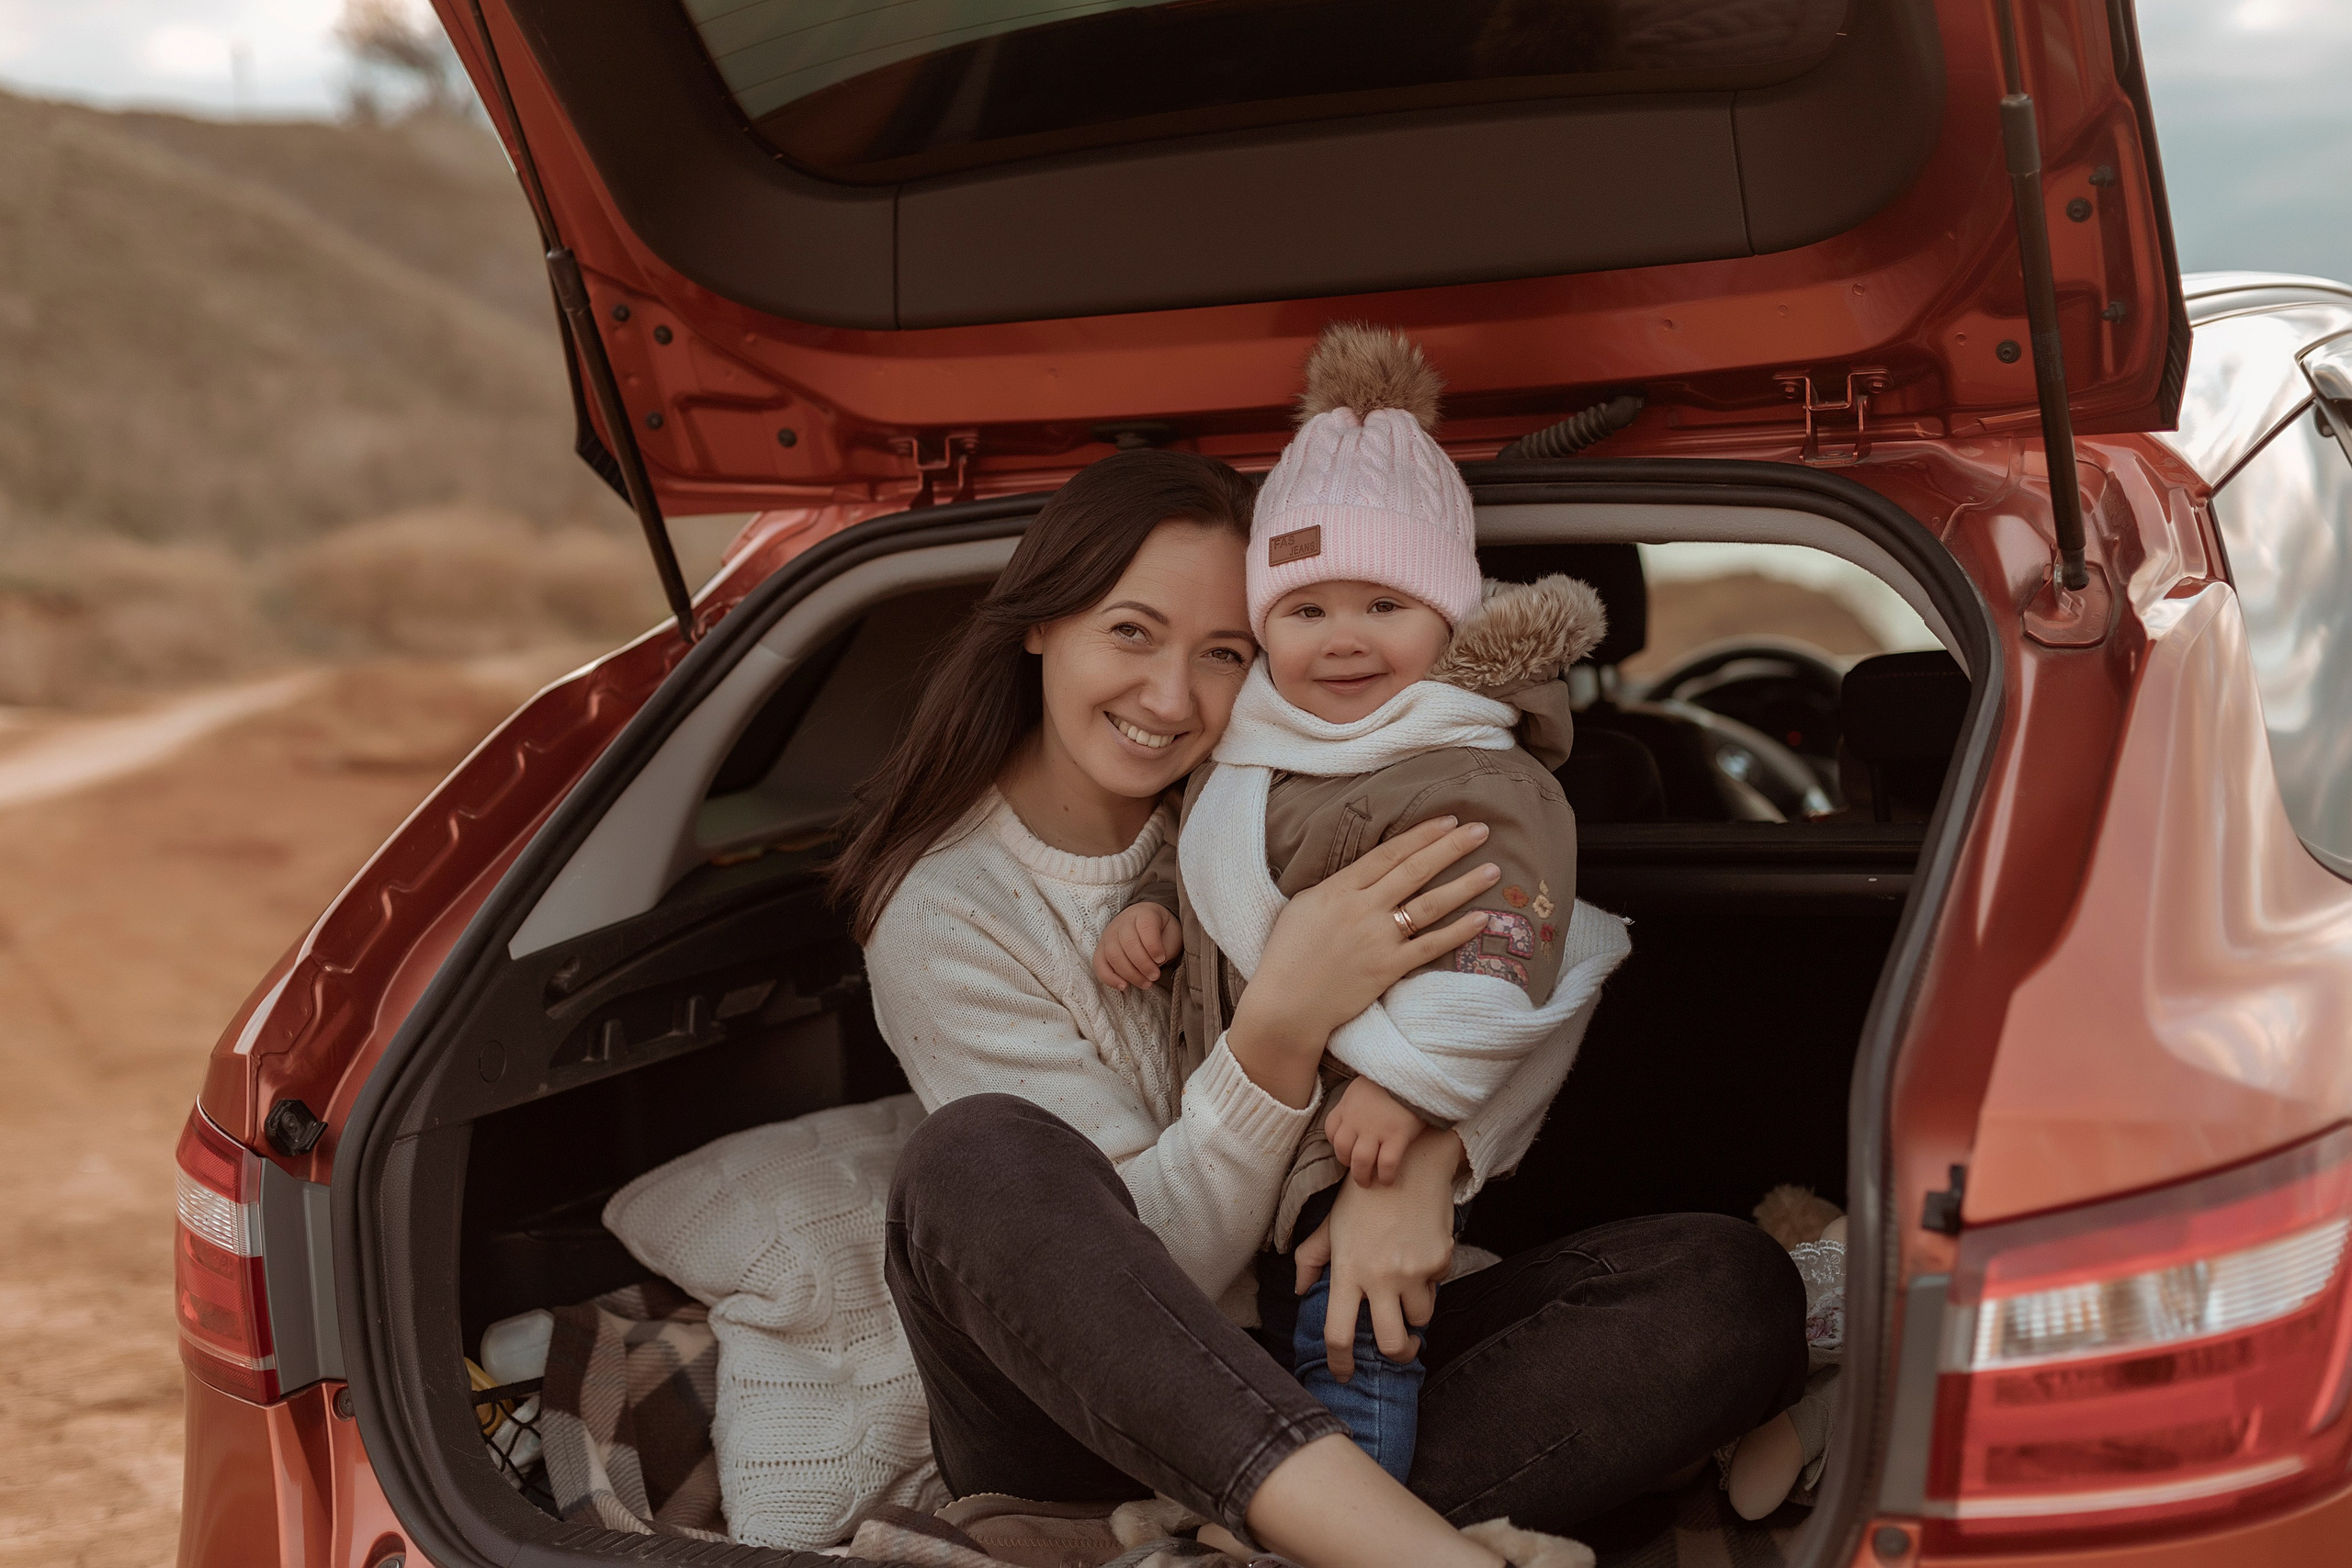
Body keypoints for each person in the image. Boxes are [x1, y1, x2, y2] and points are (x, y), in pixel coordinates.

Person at [830, 445, 1806, 1568]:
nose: (1170, 698)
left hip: (1312, 1337)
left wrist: (1427, 1157)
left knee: (1723, 1284)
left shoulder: (1277, 791)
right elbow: (1134, 1278)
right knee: (974, 1156)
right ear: (1042, 622)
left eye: (1223, 653)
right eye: (1132, 632)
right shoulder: (944, 909)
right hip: (1076, 1418)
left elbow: (1531, 958)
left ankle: (1239, 1544)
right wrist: (1279, 1030)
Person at [1091, 323, 1623, 1486]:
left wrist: (1411, 1091)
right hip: (1256, 1133)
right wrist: (1153, 907)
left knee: (1355, 1343)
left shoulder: (1476, 774)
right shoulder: (1247, 750)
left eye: (1383, 604)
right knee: (1285, 1338)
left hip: (1365, 1135)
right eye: (1305, 610)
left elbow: (1505, 944)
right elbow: (1201, 850)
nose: (1341, 640)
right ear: (1262, 627)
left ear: (1449, 616)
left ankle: (1356, 1516)